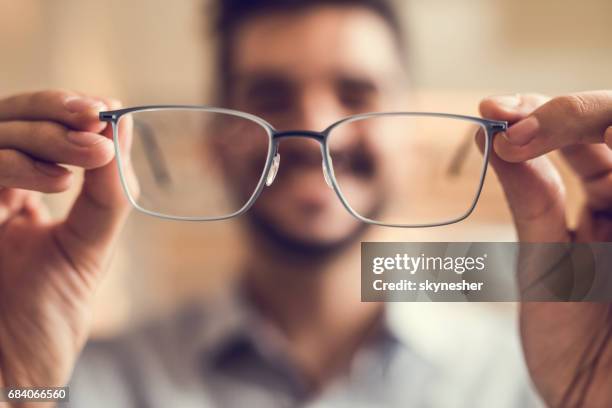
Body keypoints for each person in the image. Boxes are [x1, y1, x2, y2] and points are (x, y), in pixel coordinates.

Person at [0, 0, 611, 406]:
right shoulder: (78, 383)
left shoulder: (524, 382)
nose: (317, 126)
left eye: (356, 91)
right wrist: (19, 383)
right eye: (268, 94)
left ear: (412, 139)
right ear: (214, 142)